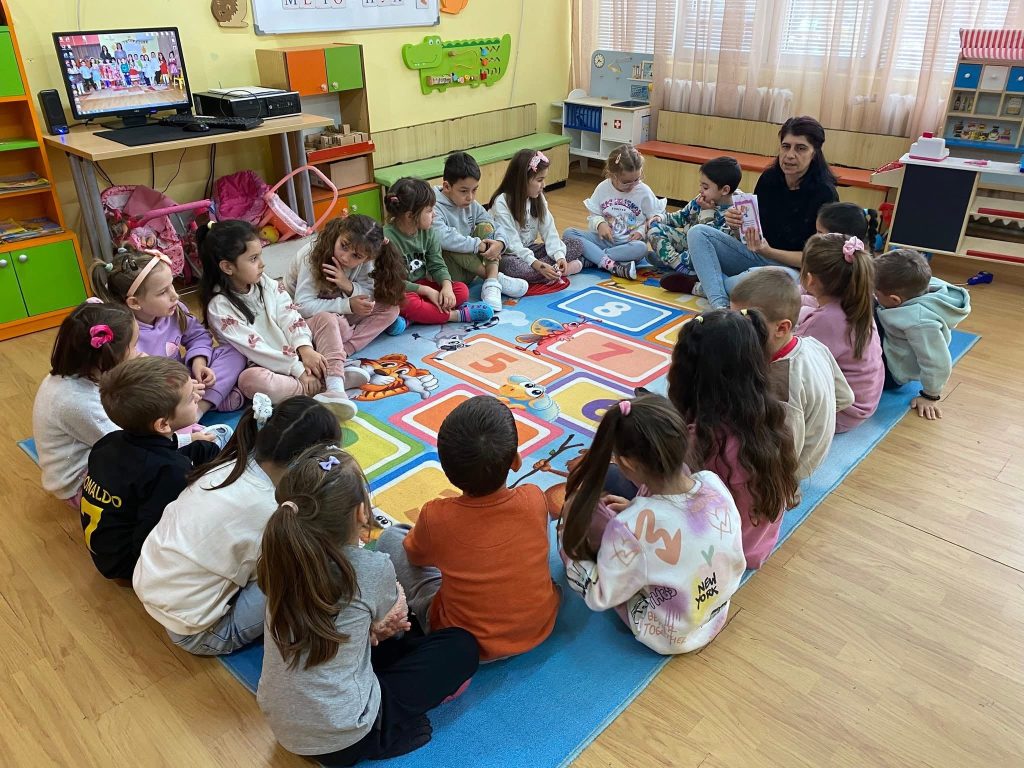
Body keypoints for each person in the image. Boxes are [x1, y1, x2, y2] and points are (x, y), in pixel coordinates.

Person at [256, 443, 479, 765]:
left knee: (380, 638)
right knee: (460, 646)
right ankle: (382, 735)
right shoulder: (370, 567)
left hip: (284, 725)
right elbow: (396, 620)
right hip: (347, 737)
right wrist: (381, 625)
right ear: (362, 513)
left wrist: (372, 629)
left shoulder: (278, 558)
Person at [133, 395, 341, 656]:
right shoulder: (270, 509)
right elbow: (274, 566)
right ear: (303, 463)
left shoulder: (233, 463)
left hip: (152, 587)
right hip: (199, 633)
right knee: (307, 564)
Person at [376, 396, 560, 662]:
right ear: (516, 460)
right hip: (539, 626)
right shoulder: (534, 497)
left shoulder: (436, 516)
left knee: (392, 536)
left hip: (465, 642)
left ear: (447, 471)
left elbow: (416, 558)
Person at [558, 395, 745, 654]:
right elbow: (681, 525)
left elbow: (600, 596)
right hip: (715, 610)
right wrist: (637, 509)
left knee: (576, 551)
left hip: (671, 634)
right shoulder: (712, 482)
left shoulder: (629, 528)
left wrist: (570, 555)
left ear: (627, 463)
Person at [669, 309, 799, 569]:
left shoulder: (702, 440)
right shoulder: (770, 415)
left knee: (616, 479)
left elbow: (668, 494)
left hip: (720, 556)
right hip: (757, 544)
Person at [663, 117, 839, 307]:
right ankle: (720, 304)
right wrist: (736, 226)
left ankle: (704, 285)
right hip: (756, 256)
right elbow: (752, 235)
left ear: (814, 153)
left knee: (750, 285)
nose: (790, 155)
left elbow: (816, 259)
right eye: (786, 146)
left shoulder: (825, 194)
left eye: (801, 148)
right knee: (698, 233)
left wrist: (769, 251)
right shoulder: (769, 179)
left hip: (794, 271)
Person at [198, 219, 364, 421]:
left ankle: (335, 385)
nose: (262, 263)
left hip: (296, 352)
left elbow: (288, 313)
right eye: (253, 259)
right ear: (227, 267)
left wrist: (304, 347)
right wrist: (299, 370)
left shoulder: (263, 281)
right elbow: (257, 349)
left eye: (260, 255)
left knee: (326, 319)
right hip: (269, 366)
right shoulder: (219, 306)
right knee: (250, 381)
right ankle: (325, 382)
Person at [81, 356, 223, 580]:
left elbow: (159, 453)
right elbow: (152, 536)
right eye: (190, 399)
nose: (198, 397)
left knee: (205, 449)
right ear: (163, 424)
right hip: (132, 565)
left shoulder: (108, 442)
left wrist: (194, 443)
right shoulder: (169, 471)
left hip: (107, 549)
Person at [730, 268, 853, 479]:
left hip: (788, 472)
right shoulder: (813, 344)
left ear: (781, 328)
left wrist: (783, 482)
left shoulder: (780, 385)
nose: (735, 331)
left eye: (746, 325)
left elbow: (785, 453)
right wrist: (816, 419)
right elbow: (845, 397)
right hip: (815, 449)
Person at [91, 247, 246, 414]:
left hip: (184, 379)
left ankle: (200, 404)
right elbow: (133, 386)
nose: (175, 295)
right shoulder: (123, 333)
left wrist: (199, 363)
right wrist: (179, 389)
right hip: (156, 392)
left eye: (171, 284)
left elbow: (198, 336)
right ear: (134, 303)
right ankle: (200, 408)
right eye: (163, 292)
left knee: (233, 352)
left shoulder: (175, 310)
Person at [32, 302, 139, 506]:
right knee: (160, 474)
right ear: (110, 355)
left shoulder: (80, 375)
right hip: (79, 485)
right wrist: (182, 437)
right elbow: (129, 445)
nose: (138, 352)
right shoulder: (75, 401)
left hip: (97, 453)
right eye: (134, 346)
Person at [797, 234, 883, 432]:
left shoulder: (822, 322)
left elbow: (793, 369)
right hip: (865, 401)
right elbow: (813, 304)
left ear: (809, 279)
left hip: (839, 414)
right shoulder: (857, 302)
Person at [873, 248, 971, 420]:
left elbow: (937, 362)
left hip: (893, 371)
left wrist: (930, 395)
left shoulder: (920, 323)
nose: (874, 294)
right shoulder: (921, 284)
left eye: (876, 293)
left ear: (895, 300)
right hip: (894, 337)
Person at [283, 214, 407, 347]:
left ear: (367, 259)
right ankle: (339, 340)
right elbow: (302, 306)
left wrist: (348, 286)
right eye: (344, 246)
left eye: (356, 256)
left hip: (336, 310)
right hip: (303, 318)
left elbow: (368, 296)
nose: (345, 258)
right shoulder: (312, 255)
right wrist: (347, 305)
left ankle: (347, 348)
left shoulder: (364, 258)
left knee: (390, 310)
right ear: (339, 234)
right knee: (334, 323)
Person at [383, 177, 493, 326]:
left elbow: (437, 264)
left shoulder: (428, 232)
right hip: (400, 289)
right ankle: (456, 315)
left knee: (461, 290)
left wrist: (446, 286)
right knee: (405, 302)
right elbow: (391, 282)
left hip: (422, 285)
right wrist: (426, 291)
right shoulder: (387, 239)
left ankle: (413, 318)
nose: (434, 215)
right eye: (429, 211)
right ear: (409, 216)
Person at [432, 151, 528, 312]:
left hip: (470, 270)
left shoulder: (472, 205)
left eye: (474, 190)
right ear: (447, 186)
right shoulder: (433, 205)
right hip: (447, 274)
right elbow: (442, 237)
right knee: (451, 242)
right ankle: (493, 277)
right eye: (464, 191)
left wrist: (500, 243)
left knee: (486, 227)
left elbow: (495, 225)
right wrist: (479, 245)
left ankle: (492, 282)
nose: (470, 197)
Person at [563, 144, 665, 280]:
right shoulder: (602, 188)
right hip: (603, 241)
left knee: (642, 248)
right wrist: (600, 224)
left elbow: (654, 218)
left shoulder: (644, 191)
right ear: (612, 175)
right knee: (569, 233)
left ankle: (593, 258)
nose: (633, 185)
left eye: (637, 179)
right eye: (626, 182)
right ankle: (611, 264)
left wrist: (641, 231)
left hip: (627, 245)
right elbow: (594, 215)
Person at [489, 148, 585, 284]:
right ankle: (558, 271)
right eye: (540, 180)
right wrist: (538, 265)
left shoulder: (537, 198)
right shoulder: (502, 202)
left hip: (530, 250)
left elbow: (549, 231)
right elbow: (512, 244)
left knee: (576, 243)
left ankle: (552, 271)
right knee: (513, 266)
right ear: (522, 180)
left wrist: (559, 256)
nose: (543, 185)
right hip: (509, 254)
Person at [650, 156, 743, 279]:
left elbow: (708, 243)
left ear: (725, 190)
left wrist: (707, 212)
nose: (700, 190)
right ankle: (678, 265)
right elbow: (682, 216)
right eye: (701, 185)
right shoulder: (702, 199)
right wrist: (662, 218)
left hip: (706, 255)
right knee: (654, 229)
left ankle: (674, 264)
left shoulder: (733, 213)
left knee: (699, 252)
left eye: (705, 187)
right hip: (688, 247)